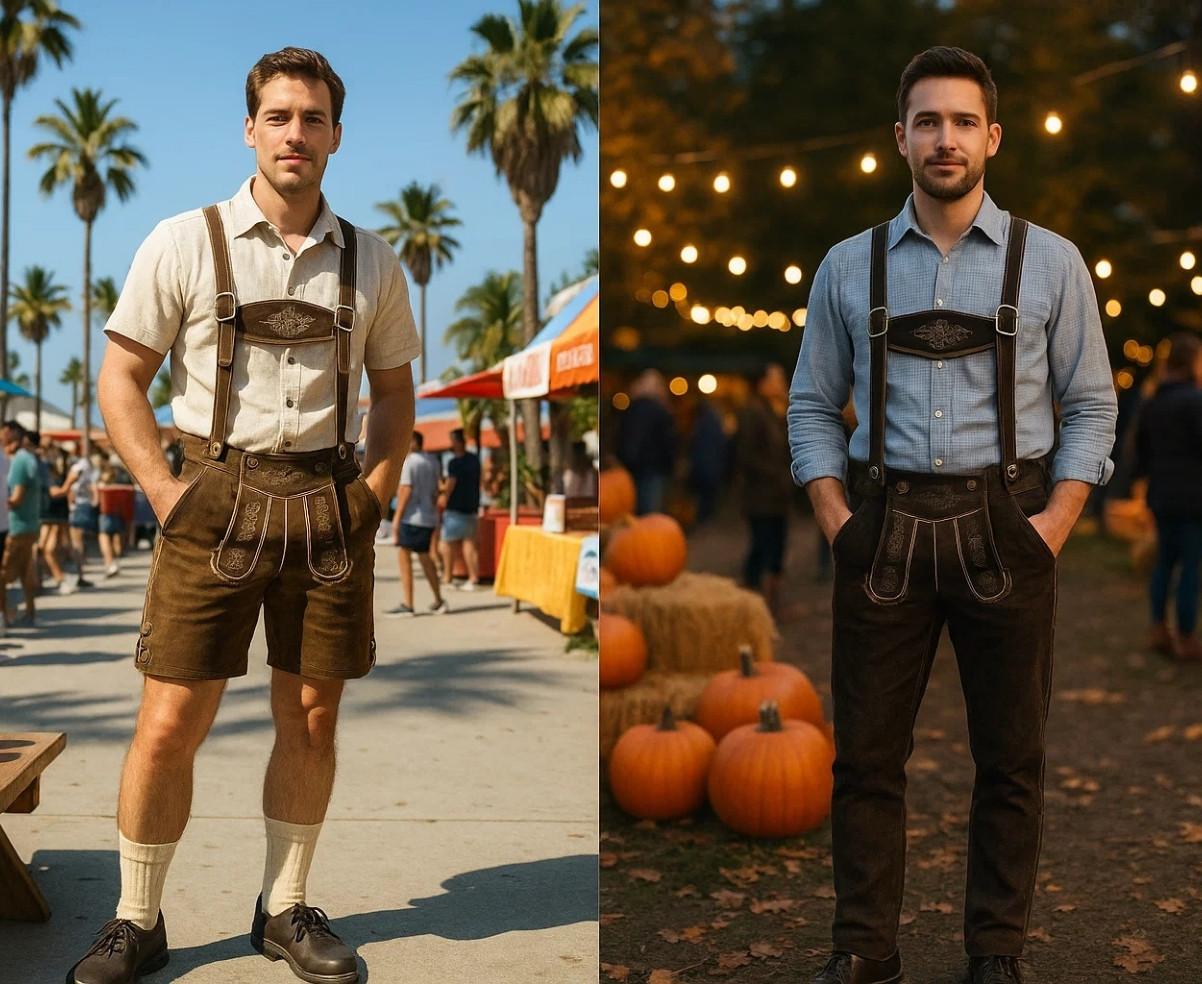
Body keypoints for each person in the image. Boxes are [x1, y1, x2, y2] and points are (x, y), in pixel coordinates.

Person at [69, 47, 419, 984]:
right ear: (250, 129)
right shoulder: (184, 241)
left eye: (312, 118)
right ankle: (136, 921)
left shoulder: (373, 260)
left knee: (310, 715)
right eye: (278, 116)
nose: (295, 134)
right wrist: (167, 492)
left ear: (336, 135)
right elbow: (121, 379)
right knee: (169, 719)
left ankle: (285, 907)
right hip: (212, 496)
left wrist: (373, 498)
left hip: (327, 501)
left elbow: (394, 395)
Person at [788, 47, 1118, 984]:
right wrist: (836, 518)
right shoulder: (848, 267)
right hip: (882, 530)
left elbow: (1092, 403)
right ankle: (865, 952)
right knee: (866, 762)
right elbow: (811, 405)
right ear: (900, 139)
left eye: (963, 121)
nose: (946, 138)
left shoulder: (1052, 262)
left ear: (993, 138)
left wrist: (1054, 521)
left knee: (1011, 761)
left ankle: (995, 955)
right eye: (928, 121)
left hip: (1010, 527)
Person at [1133, 333, 1202, 661]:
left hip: (1160, 494)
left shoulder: (1153, 400)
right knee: (1191, 566)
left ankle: (1158, 629)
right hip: (1193, 498)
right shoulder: (1195, 401)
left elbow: (1140, 452)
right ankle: (1186, 637)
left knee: (1164, 562)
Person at [734, 363, 794, 613]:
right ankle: (751, 601)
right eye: (775, 380)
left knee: (778, 546)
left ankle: (773, 603)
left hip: (780, 495)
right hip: (760, 495)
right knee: (762, 545)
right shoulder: (753, 413)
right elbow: (746, 454)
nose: (781, 384)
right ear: (762, 384)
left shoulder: (781, 413)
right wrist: (773, 474)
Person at [387, 430, 447, 617]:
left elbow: (405, 491)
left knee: (404, 559)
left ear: (412, 442)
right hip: (428, 516)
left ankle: (408, 603)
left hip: (411, 517)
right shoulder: (432, 461)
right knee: (425, 557)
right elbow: (438, 489)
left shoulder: (410, 463)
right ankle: (438, 599)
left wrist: (396, 520)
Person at [615, 368, 677, 515]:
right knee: (650, 512)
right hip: (655, 467)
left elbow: (624, 437)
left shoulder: (631, 409)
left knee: (633, 510)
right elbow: (668, 441)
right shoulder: (661, 411)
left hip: (633, 466)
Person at [2, 420, 42, 629]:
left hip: (16, 525)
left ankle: (5, 616)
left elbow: (16, 498)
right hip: (31, 524)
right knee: (26, 570)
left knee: (4, 573)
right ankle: (30, 612)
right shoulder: (30, 459)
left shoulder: (18, 462)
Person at [438, 427, 481, 590]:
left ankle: (448, 576)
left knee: (445, 544)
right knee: (470, 544)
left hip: (455, 508)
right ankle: (473, 577)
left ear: (456, 441)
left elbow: (451, 484)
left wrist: (443, 495)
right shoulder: (474, 460)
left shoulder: (454, 463)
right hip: (471, 508)